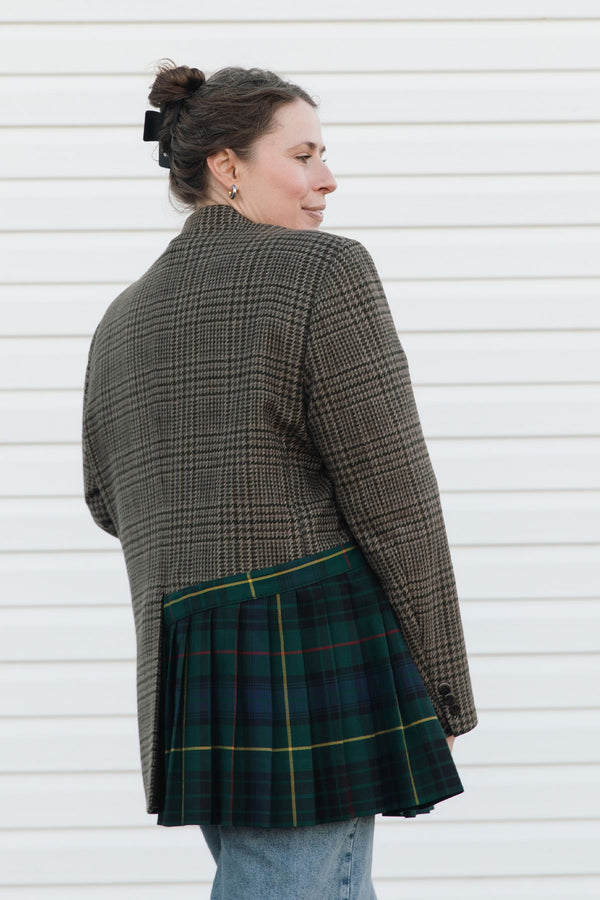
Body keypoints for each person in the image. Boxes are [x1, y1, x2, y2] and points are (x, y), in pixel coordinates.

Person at [83, 62, 477, 900]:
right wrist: (443, 684)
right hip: (303, 641)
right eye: (303, 156)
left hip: (187, 659)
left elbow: (107, 501)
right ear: (227, 166)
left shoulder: (121, 319)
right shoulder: (322, 271)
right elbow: (396, 501)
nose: (327, 179)